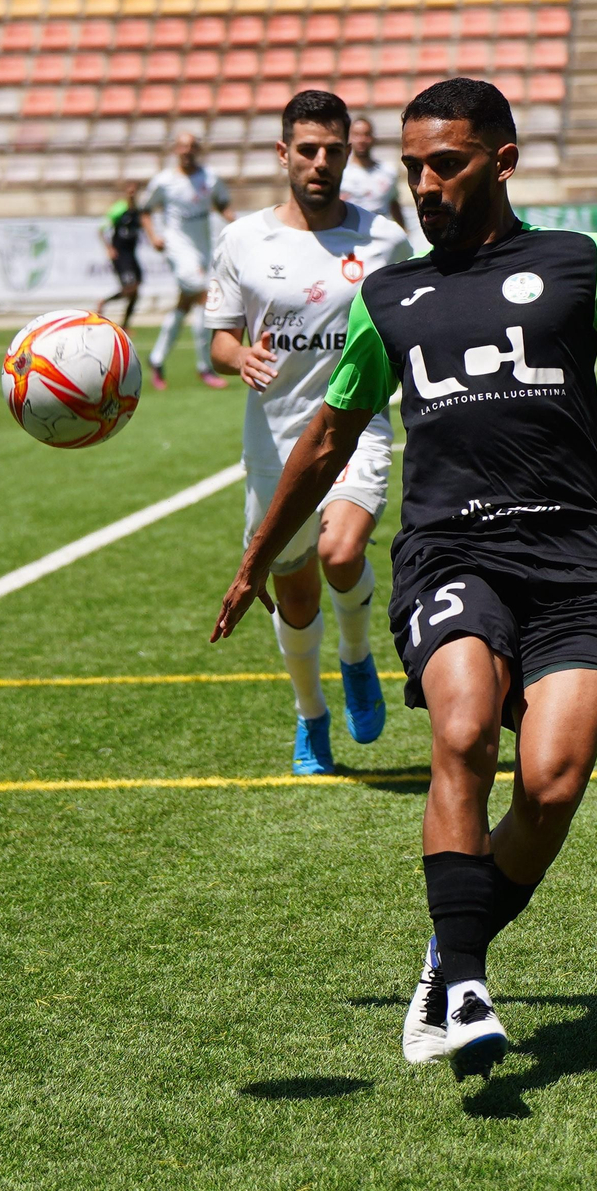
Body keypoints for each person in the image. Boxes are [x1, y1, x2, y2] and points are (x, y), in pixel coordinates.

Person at [211, 78, 597, 1080]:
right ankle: (471, 983)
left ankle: (448, 952)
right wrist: (256, 558)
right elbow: (326, 440)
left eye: (446, 164)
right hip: (449, 552)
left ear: (501, 161)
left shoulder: (579, 264)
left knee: (552, 784)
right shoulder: (387, 296)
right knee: (464, 726)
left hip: (568, 561)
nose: (423, 184)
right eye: (412, 166)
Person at [206, 90, 415, 776]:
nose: (321, 162)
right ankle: (310, 717)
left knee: (342, 549)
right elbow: (220, 343)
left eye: (334, 150)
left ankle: (357, 657)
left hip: (356, 427)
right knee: (292, 591)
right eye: (308, 150)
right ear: (284, 153)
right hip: (274, 442)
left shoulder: (384, 239)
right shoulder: (242, 238)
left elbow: (410, 329)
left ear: (350, 152)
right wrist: (241, 358)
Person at [140, 132, 235, 389]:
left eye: (192, 146)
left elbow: (222, 203)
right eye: (182, 146)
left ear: (198, 150)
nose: (187, 150)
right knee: (205, 296)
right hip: (177, 246)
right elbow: (145, 210)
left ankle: (156, 359)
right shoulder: (164, 181)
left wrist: (237, 224)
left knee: (185, 304)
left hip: (203, 247)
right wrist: (154, 237)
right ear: (175, 150)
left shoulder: (210, 178)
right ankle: (204, 366)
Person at [95, 177, 159, 339]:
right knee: (131, 287)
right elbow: (101, 229)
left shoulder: (138, 210)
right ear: (125, 191)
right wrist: (109, 248)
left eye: (134, 189)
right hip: (120, 254)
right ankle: (105, 301)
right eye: (129, 189)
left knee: (136, 291)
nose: (131, 192)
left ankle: (125, 325)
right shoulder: (118, 209)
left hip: (132, 254)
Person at [339, 117, 407, 228]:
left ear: (373, 138)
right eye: (356, 135)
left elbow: (394, 205)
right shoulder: (341, 172)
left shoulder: (387, 172)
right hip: (350, 234)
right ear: (349, 138)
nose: (361, 140)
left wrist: (404, 231)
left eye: (366, 134)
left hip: (380, 234)